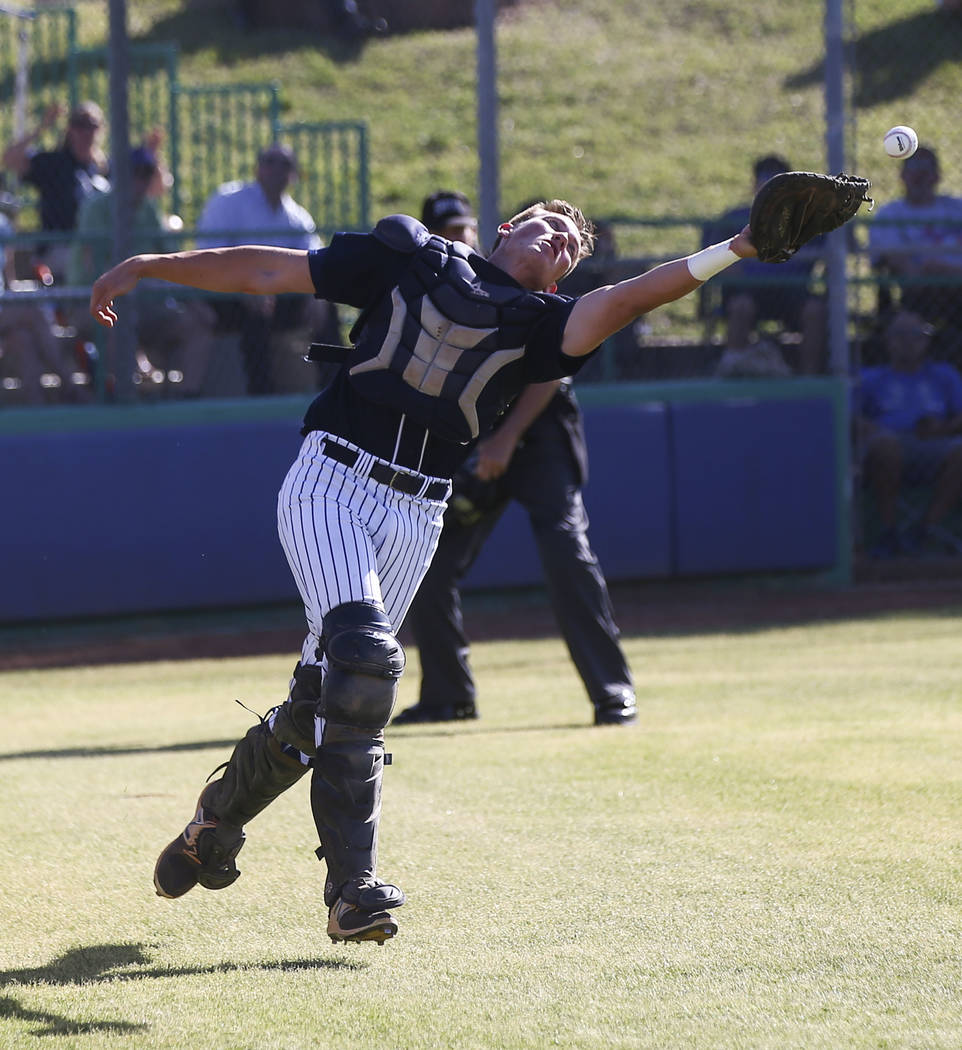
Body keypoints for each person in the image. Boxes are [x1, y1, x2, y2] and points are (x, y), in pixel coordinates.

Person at [89, 198, 759, 945]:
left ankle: (213, 824)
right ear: (508, 226)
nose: (560, 236)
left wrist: (734, 246)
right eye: (548, 220)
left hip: (419, 513)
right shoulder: (408, 256)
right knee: (368, 660)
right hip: (333, 481)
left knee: (323, 709)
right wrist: (152, 264)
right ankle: (352, 893)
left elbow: (636, 295)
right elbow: (267, 271)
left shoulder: (547, 325)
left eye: (572, 244)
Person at [395, 192, 635, 727]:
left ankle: (612, 692)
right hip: (477, 448)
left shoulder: (518, 282)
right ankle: (448, 694)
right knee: (429, 564)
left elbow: (550, 370)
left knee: (566, 550)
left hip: (538, 437)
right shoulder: (435, 281)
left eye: (466, 227)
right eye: (447, 229)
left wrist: (505, 443)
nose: (459, 237)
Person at [69, 148, 216, 397]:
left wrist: (193, 301)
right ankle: (122, 399)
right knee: (120, 319)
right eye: (134, 173)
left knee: (196, 323)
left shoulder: (150, 209)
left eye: (146, 172)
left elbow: (173, 262)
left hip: (144, 302)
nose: (140, 179)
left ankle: (185, 398)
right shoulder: (96, 208)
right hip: (94, 303)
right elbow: (93, 266)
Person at [195, 143, 338, 394]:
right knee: (256, 309)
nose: (277, 169)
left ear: (293, 174)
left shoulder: (297, 217)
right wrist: (246, 287)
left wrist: (318, 295)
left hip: (278, 296)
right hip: (227, 295)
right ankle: (261, 392)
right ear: (258, 168)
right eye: (270, 162)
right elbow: (209, 258)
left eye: (285, 164)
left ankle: (333, 387)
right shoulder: (228, 201)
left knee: (325, 305)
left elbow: (315, 261)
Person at [702, 154, 827, 377]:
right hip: (749, 290)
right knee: (740, 307)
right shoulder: (735, 218)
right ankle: (731, 370)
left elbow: (840, 246)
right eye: (765, 182)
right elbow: (714, 256)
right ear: (755, 185)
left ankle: (810, 378)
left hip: (792, 291)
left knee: (814, 310)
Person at [856, 308, 962, 557]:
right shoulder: (870, 378)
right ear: (888, 340)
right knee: (885, 446)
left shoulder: (944, 375)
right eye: (899, 335)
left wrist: (943, 428)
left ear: (926, 341)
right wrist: (874, 429)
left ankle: (924, 529)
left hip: (934, 444)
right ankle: (889, 532)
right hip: (886, 443)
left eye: (915, 335)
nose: (907, 342)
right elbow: (849, 416)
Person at [2, 101, 110, 283]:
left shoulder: (104, 168)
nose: (86, 132)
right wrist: (43, 127)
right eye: (79, 125)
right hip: (60, 249)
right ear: (70, 129)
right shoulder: (55, 162)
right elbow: (9, 159)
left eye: (92, 126)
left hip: (98, 248)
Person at [868, 146, 962, 338]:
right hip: (920, 295)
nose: (919, 176)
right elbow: (907, 272)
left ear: (937, 176)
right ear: (902, 176)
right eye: (913, 168)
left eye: (926, 169)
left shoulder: (956, 209)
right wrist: (935, 272)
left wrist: (941, 269)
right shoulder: (890, 215)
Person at [0, 200, 70, 403]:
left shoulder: (2, 224)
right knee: (33, 310)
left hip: (4, 309)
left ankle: (37, 407)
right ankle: (66, 380)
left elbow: (9, 279)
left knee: (23, 340)